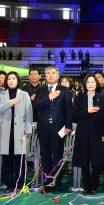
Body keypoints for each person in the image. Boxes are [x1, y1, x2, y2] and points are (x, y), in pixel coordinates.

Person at [33, 66, 72, 194]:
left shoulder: (65, 90)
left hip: (58, 128)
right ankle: (48, 182)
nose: (50, 75)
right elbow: (35, 105)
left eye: (53, 73)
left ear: (57, 75)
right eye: (48, 73)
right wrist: (49, 97)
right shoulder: (41, 90)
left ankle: (57, 182)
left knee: (57, 156)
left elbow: (68, 110)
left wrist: (68, 126)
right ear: (45, 75)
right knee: (45, 156)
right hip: (44, 127)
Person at [0, 71, 33, 193]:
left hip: (20, 132)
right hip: (6, 132)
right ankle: (9, 183)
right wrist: (10, 102)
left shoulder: (24, 94)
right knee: (7, 160)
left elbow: (29, 113)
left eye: (13, 78)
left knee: (19, 159)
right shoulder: (1, 94)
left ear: (17, 81)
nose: (11, 80)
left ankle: (20, 182)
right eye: (9, 79)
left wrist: (28, 129)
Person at [72, 75, 104, 195]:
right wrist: (87, 110)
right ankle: (86, 185)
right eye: (88, 82)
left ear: (97, 84)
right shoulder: (80, 98)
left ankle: (94, 185)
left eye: (93, 82)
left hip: (97, 132)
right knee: (84, 159)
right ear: (85, 84)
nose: (91, 84)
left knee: (96, 159)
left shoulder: (101, 98)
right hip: (82, 132)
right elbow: (75, 114)